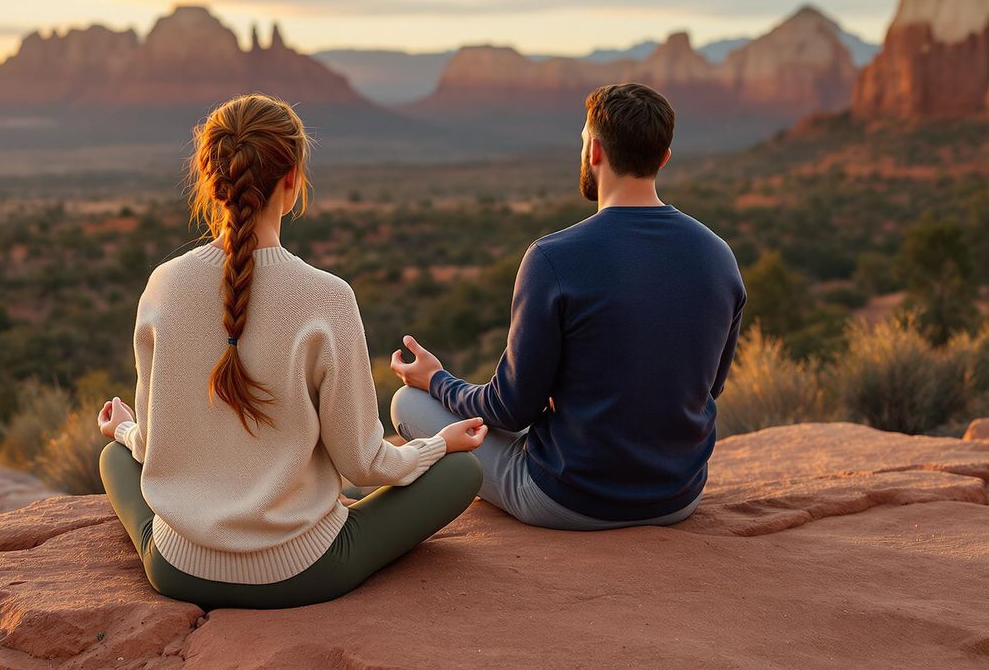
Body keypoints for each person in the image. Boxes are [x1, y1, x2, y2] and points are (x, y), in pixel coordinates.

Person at [97, 93, 484, 610]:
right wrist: (437, 445)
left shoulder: (163, 285)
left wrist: (123, 429)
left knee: (112, 458)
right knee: (464, 473)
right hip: (303, 573)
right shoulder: (327, 296)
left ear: (210, 181)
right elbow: (365, 463)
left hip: (176, 568)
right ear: (293, 180)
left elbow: (153, 445)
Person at [391, 83, 746, 531]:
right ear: (663, 158)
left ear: (594, 151)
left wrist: (437, 380)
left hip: (570, 499)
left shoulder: (553, 258)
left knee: (407, 404)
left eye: (583, 141)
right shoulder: (718, 255)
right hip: (677, 497)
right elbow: (708, 388)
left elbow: (512, 408)